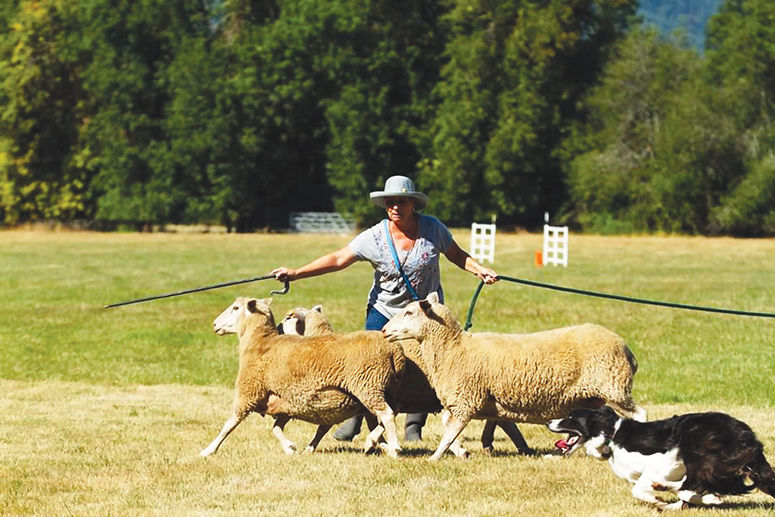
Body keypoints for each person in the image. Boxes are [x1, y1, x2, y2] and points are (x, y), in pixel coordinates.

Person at [272, 175, 498, 442]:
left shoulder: (433, 229)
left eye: (401, 201)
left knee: (428, 369)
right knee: (365, 367)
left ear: (413, 204)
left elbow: (457, 254)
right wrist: (297, 272)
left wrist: (479, 270)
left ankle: (414, 427)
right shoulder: (375, 236)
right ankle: (355, 420)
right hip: (385, 310)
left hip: (424, 316)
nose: (395, 207)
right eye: (390, 202)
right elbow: (338, 258)